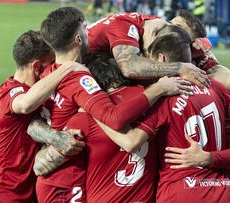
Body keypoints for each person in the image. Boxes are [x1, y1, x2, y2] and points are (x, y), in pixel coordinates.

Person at [26, 7, 189, 203]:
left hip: (49, 180)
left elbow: (30, 122)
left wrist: (52, 137)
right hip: (68, 183)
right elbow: (114, 118)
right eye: (86, 29)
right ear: (78, 39)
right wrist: (159, 89)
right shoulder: (79, 79)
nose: (90, 33)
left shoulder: (47, 75)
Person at [96, 30, 230, 202]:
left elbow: (131, 141)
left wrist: (96, 111)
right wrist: (211, 154)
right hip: (221, 192)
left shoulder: (162, 97)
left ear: (162, 59)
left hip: (181, 191)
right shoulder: (215, 87)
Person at [0, 30, 85, 203]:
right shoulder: (10, 92)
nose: (55, 68)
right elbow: (24, 105)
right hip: (2, 195)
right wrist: (69, 67)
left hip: (21, 195)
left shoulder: (32, 93)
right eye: (52, 64)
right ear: (36, 67)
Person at [87, 11, 210, 87]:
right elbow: (129, 67)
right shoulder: (125, 26)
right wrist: (179, 68)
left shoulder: (149, 28)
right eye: (173, 27)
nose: (169, 28)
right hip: (73, 69)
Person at [170, 9, 230, 92]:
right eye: (169, 23)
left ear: (194, 42)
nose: (169, 27)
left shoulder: (197, 61)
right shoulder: (153, 38)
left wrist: (205, 57)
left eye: (178, 27)